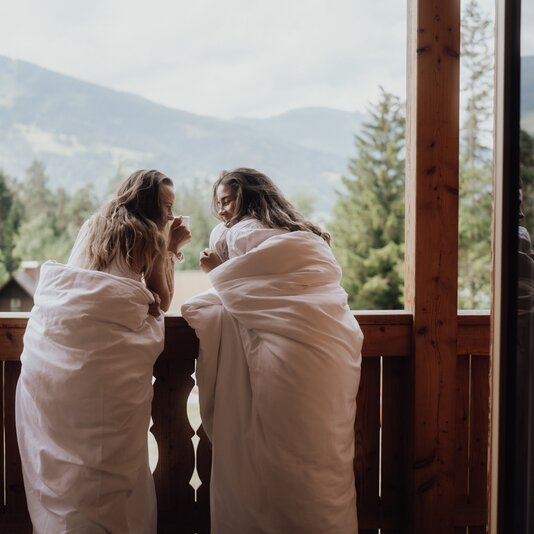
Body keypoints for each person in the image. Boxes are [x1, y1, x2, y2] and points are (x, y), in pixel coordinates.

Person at [182, 168, 363, 534]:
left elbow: (253, 287)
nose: (222, 211)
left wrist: (218, 272)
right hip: (326, 346)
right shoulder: (304, 236)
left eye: (227, 201)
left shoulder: (240, 232)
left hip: (289, 352)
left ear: (251, 198)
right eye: (217, 203)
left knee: (277, 459)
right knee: (320, 456)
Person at [15, 169, 191, 534]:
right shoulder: (149, 234)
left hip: (61, 349)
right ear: (147, 203)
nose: (171, 216)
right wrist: (171, 247)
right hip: (108, 356)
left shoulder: (94, 225)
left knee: (66, 460)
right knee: (109, 460)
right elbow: (161, 300)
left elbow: (83, 286)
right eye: (167, 207)